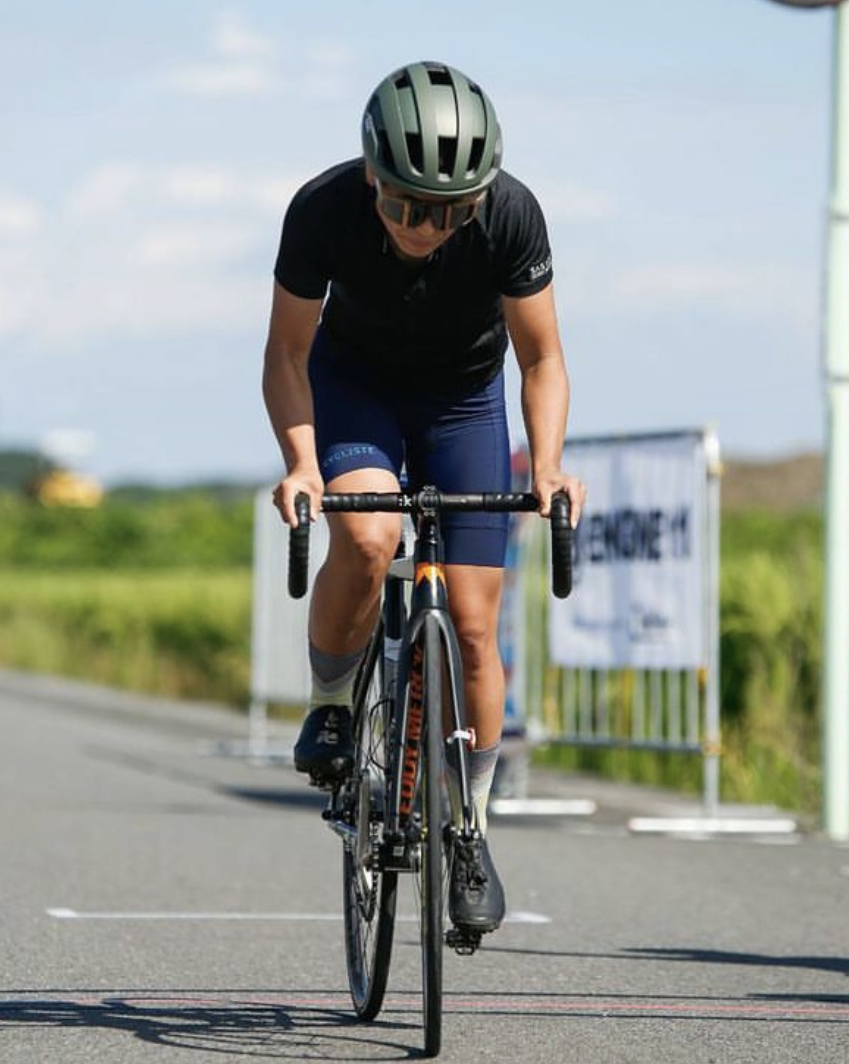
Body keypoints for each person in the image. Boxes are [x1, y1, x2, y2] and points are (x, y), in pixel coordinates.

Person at [261, 60, 586, 938]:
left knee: (475, 627)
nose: (424, 228)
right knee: (368, 538)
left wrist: (547, 466)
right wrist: (301, 464)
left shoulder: (512, 215)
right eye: (406, 205)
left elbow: (542, 357)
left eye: (450, 211)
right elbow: (287, 354)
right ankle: (333, 702)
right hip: (355, 388)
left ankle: (470, 827)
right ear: (373, 176)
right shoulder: (322, 209)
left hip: (463, 402)